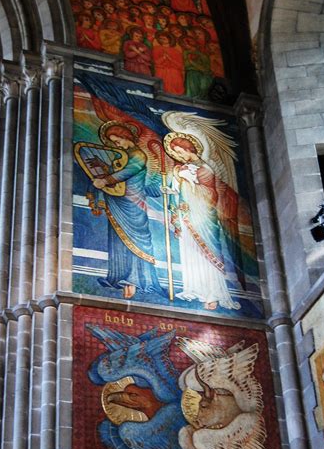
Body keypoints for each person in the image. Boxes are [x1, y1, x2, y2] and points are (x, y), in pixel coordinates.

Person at [90, 123, 163, 299]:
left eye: (118, 141)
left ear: (126, 136)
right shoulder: (120, 155)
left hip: (133, 203)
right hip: (117, 200)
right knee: (117, 238)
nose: (117, 145)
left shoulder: (138, 155)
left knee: (138, 239)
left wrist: (106, 180)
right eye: (114, 143)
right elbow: (115, 170)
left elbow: (128, 171)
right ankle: (119, 276)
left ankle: (138, 280)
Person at [167, 136, 239, 310]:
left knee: (209, 253)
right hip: (187, 216)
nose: (179, 156)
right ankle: (194, 289)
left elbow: (210, 194)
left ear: (189, 149)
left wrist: (188, 180)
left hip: (203, 217)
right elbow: (178, 190)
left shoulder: (206, 168)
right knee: (189, 251)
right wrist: (173, 188)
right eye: (175, 153)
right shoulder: (182, 168)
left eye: (179, 152)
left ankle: (214, 293)